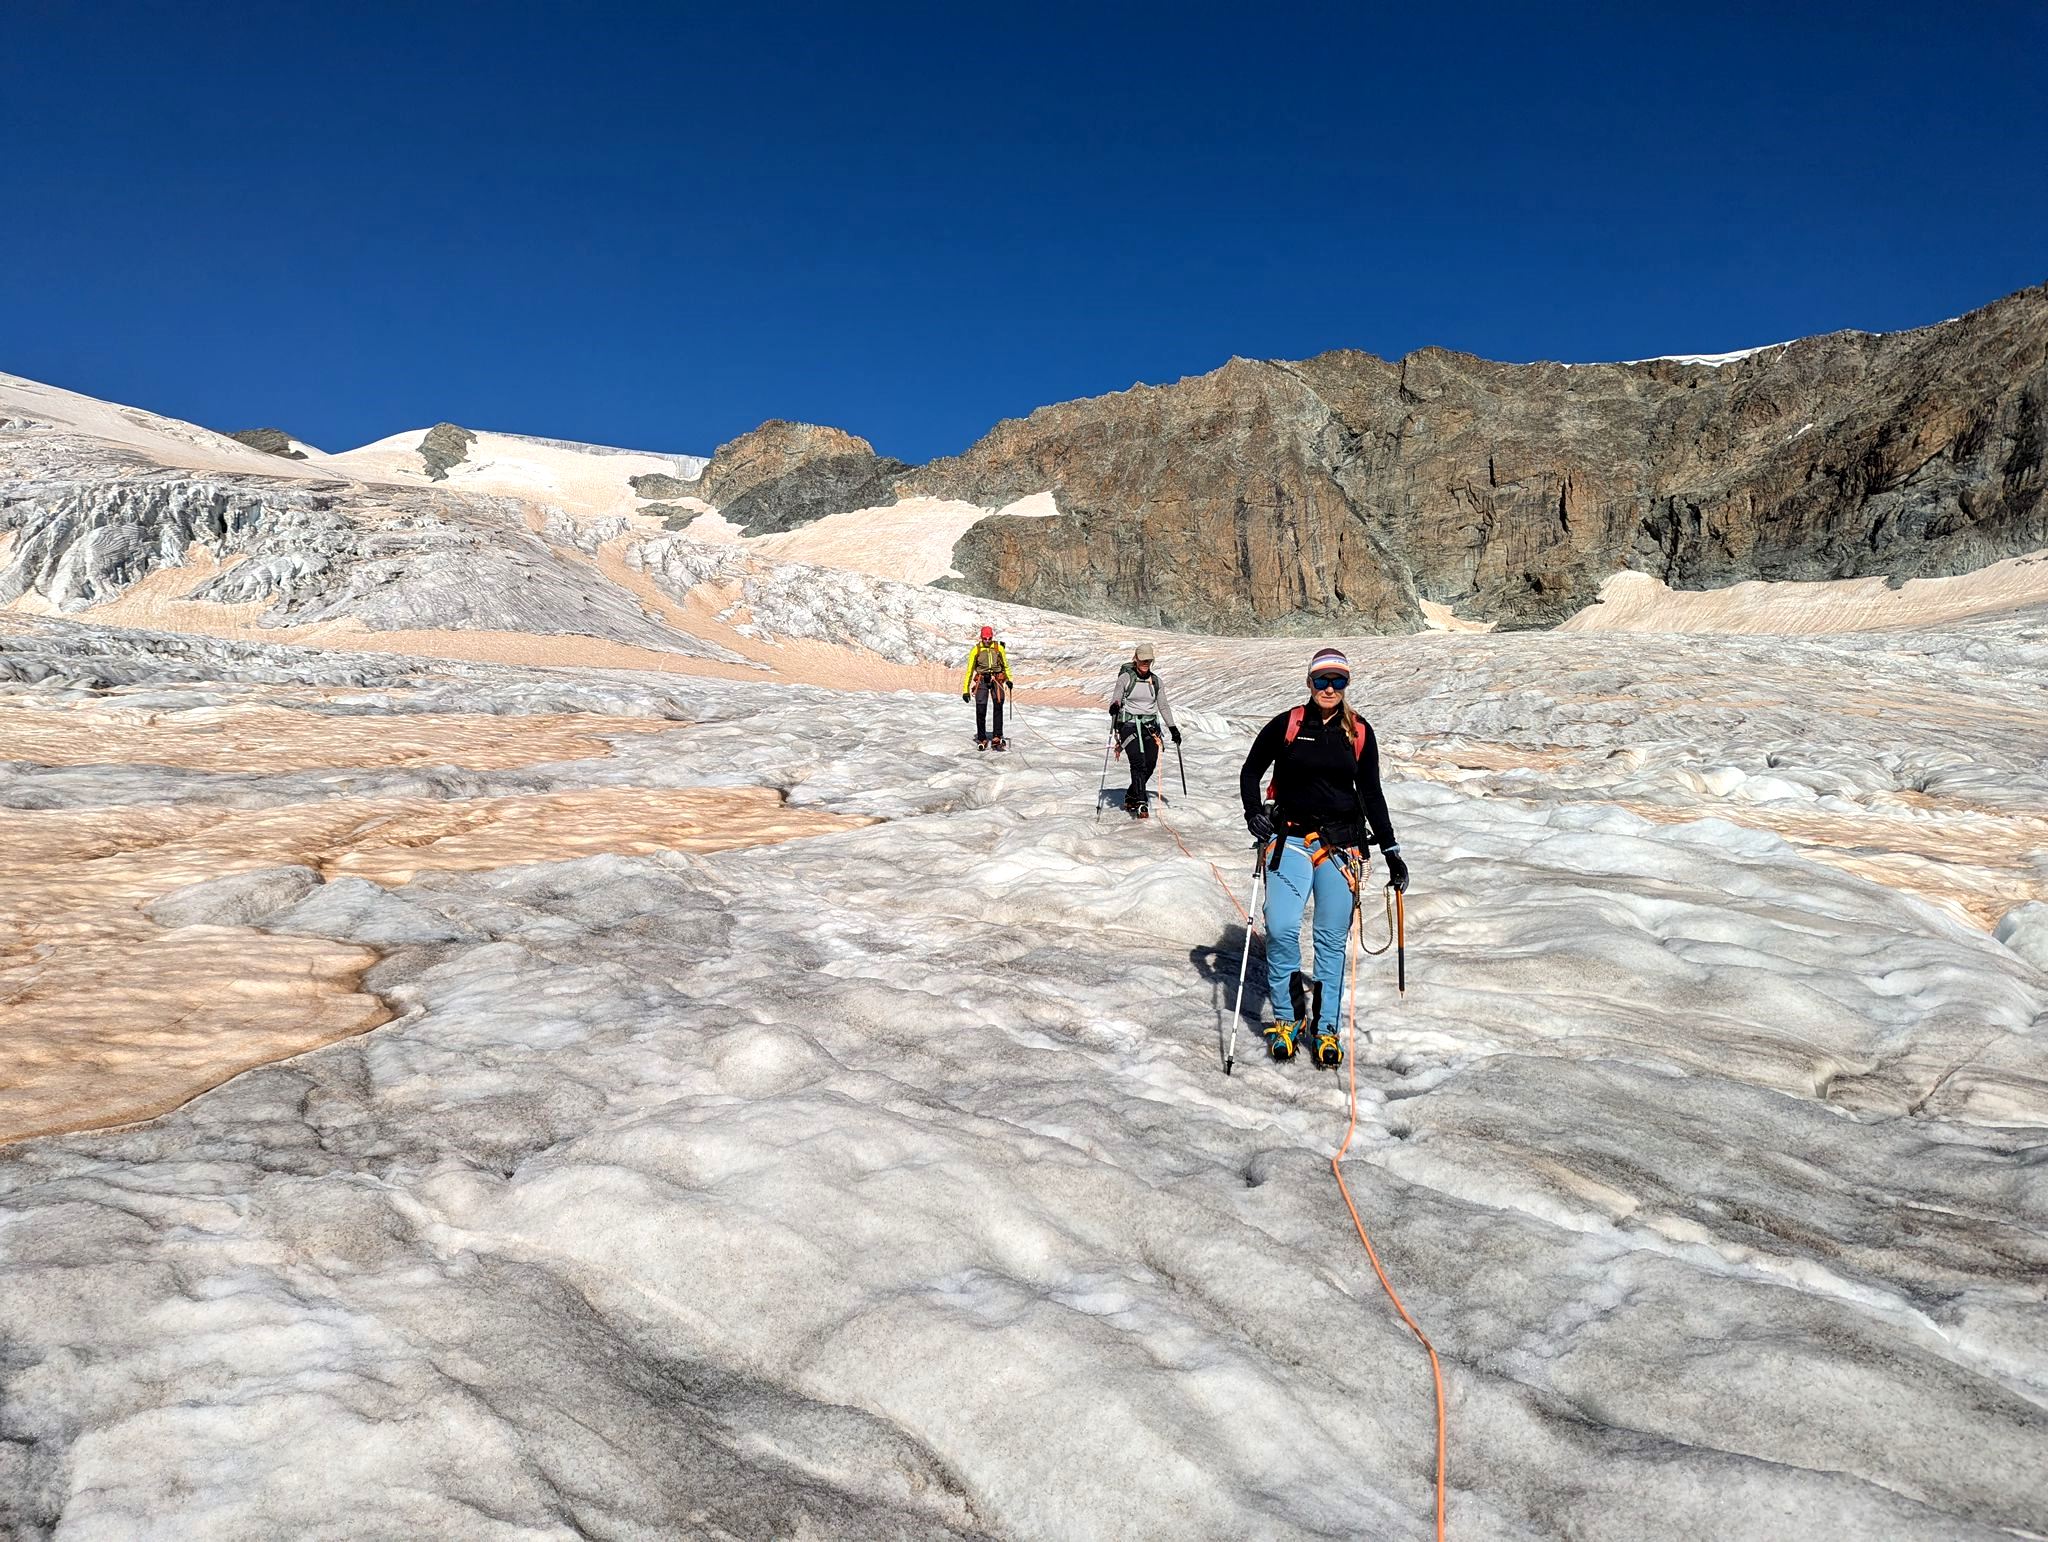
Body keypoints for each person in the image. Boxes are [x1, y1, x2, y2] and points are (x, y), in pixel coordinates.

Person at [1237, 648, 1409, 1067]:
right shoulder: (1288, 724)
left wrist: (1391, 851)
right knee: (1279, 929)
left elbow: (1371, 794)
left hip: (1342, 849)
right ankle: (1286, 1018)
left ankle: (1326, 1028)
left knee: (1331, 943)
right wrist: (1253, 814)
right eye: (1322, 680)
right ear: (1309, 682)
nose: (1329, 689)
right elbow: (1250, 771)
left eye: (1338, 681)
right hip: (1289, 841)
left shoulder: (1359, 732)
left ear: (1346, 684)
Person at [1108, 643, 1181, 817]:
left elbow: (1163, 705)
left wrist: (1173, 728)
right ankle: (1141, 801)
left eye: (1149, 660)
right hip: (1129, 725)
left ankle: (1132, 794)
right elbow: (1116, 697)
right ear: (1136, 659)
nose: (1145, 663)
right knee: (1138, 762)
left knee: (1150, 763)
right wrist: (1115, 706)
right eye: (1143, 660)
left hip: (1150, 727)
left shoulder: (1156, 681)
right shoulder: (1125, 678)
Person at [960, 625, 1014, 750]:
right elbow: (969, 671)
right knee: (980, 709)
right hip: (981, 680)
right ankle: (982, 737)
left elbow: (1005, 665)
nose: (988, 640)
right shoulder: (976, 650)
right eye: (985, 638)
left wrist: (1009, 680)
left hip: (997, 679)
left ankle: (997, 736)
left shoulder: (998, 648)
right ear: (981, 637)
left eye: (989, 638)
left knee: (998, 706)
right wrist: (965, 690)